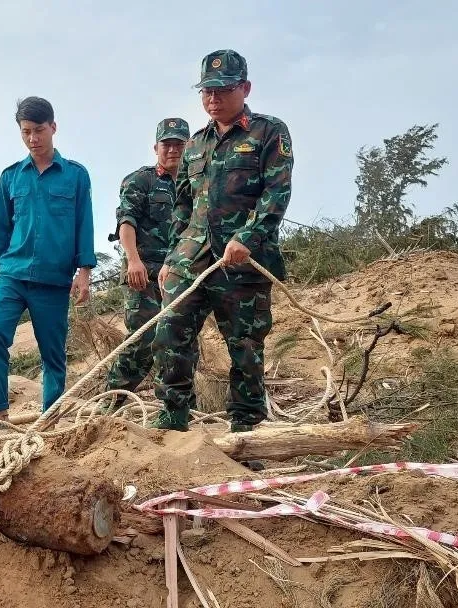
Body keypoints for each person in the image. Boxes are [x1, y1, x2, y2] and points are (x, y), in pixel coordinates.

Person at [152, 49, 293, 433]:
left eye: (223, 90)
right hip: (192, 260)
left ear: (245, 88)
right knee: (169, 336)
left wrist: (247, 237)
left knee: (245, 348)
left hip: (244, 264)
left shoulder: (268, 132)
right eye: (206, 91)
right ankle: (173, 417)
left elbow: (276, 194)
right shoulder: (195, 144)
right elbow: (183, 204)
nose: (213, 99)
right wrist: (171, 256)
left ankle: (246, 431)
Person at [0, 96, 96, 426]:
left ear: (53, 128)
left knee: (53, 355)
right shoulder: (11, 177)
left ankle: (49, 421)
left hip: (54, 280)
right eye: (26, 131)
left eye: (39, 130)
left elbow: (84, 224)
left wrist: (84, 272)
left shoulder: (75, 176)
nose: (33, 138)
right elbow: (0, 228)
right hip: (12, 274)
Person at [102, 117, 191, 411]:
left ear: (189, 146)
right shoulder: (141, 180)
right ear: (156, 147)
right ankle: (109, 404)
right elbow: (126, 221)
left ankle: (180, 411)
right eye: (168, 144)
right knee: (141, 342)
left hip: (182, 275)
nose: (173, 150)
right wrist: (133, 261)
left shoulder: (196, 184)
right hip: (145, 274)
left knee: (182, 342)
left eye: (180, 144)